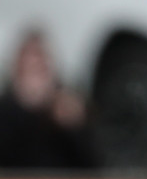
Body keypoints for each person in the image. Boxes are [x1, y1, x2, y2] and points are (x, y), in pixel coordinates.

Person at [0, 29, 97, 171]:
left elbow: (92, 164)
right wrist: (25, 106)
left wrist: (73, 126)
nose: (35, 82)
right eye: (28, 69)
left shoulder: (68, 107)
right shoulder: (5, 111)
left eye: (40, 69)